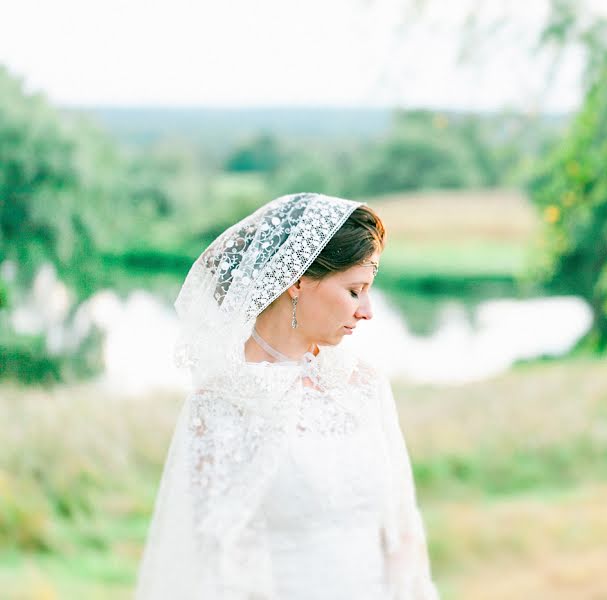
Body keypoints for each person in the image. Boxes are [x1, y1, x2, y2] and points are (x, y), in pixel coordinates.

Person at [135, 193, 439, 599]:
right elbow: (217, 560)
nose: (367, 310)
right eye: (354, 291)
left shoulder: (363, 387)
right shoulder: (223, 403)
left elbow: (402, 532)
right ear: (298, 280)